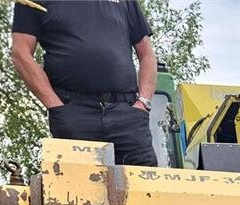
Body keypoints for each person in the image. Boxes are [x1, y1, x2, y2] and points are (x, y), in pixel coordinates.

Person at [11, 1, 159, 166]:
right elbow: (20, 53)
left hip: (127, 112)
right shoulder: (31, 2)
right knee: (75, 181)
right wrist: (56, 106)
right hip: (74, 112)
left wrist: (143, 103)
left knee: (145, 180)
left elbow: (147, 54)